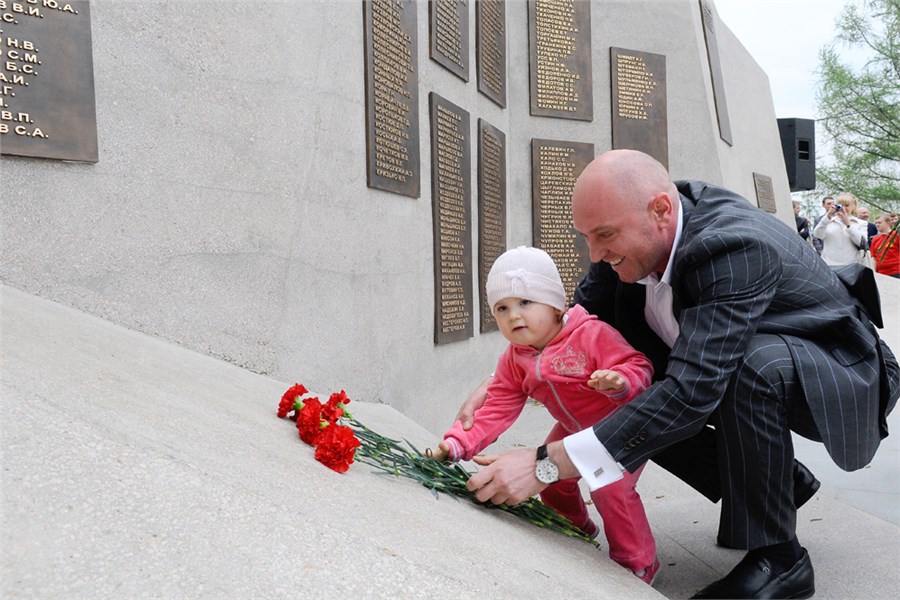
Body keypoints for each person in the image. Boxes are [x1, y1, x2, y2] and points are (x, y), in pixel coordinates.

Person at [461, 150, 899, 599]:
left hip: (843, 371)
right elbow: (578, 324)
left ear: (661, 211)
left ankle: (781, 560)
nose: (595, 254)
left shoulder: (731, 247)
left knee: (744, 369)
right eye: (587, 238)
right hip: (753, 359)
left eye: (605, 236)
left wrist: (545, 466)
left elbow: (692, 391)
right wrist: (501, 380)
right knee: (628, 386)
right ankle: (778, 481)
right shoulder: (632, 230)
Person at [430, 246, 660, 584]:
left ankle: (637, 561)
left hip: (620, 427)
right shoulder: (514, 358)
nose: (513, 315)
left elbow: (638, 364)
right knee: (551, 484)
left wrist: (621, 382)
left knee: (609, 488)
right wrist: (457, 442)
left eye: (525, 302)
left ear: (556, 305)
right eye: (502, 308)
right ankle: (576, 527)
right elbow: (497, 406)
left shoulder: (590, 334)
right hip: (571, 429)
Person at [812, 192, 868, 266]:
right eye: (841, 205)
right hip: (829, 264)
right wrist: (827, 217)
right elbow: (817, 235)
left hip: (850, 265)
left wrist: (848, 223)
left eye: (847, 205)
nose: (843, 208)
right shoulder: (828, 221)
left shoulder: (860, 223)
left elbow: (861, 242)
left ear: (853, 206)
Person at [871, 213, 899, 278]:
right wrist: (874, 272)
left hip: (896, 271)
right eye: (876, 223)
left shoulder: (896, 235)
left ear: (888, 222)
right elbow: (873, 258)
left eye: (879, 223)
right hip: (881, 273)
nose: (877, 225)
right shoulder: (875, 239)